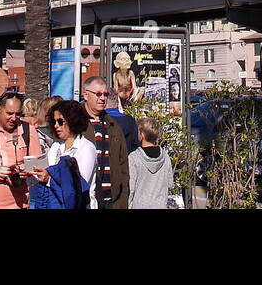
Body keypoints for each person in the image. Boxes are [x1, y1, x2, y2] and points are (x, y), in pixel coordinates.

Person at [29, 99, 96, 209]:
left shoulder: (86, 148)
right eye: (54, 121)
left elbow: (79, 186)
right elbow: (48, 171)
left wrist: (49, 179)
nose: (56, 125)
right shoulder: (56, 147)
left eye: (60, 121)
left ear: (72, 121)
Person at [81, 76, 130, 209]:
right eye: (98, 94)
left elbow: (123, 165)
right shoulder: (76, 123)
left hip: (111, 200)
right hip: (86, 199)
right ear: (85, 95)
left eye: (105, 94)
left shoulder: (113, 125)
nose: (103, 98)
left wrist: (122, 197)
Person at [128, 117, 173, 209]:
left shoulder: (134, 157)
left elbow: (130, 187)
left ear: (142, 135)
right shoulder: (165, 156)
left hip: (139, 205)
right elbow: (170, 183)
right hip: (160, 205)